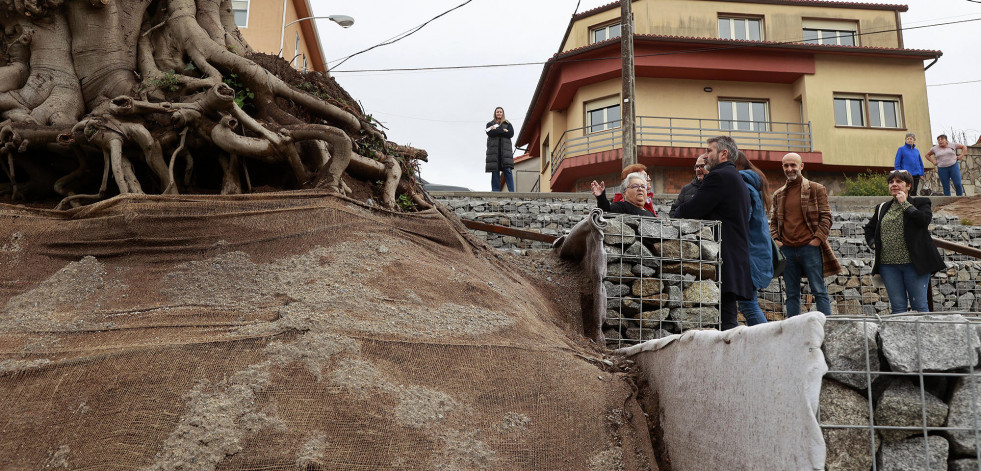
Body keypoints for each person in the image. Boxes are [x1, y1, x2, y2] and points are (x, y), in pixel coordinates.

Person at [674, 136, 753, 331]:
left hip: (723, 255)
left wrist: (675, 214)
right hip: (735, 254)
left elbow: (689, 209)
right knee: (727, 315)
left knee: (726, 321)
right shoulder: (735, 177)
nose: (706, 156)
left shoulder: (719, 177)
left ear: (723, 153)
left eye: (709, 151)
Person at [863, 170, 945, 313]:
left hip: (915, 265)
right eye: (891, 182)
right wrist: (873, 243)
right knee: (898, 308)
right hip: (888, 266)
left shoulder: (920, 202)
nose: (894, 184)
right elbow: (869, 229)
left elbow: (923, 220)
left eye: (899, 182)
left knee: (919, 306)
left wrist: (905, 204)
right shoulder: (882, 207)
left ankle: (923, 336)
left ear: (908, 186)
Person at [769, 152, 841, 317]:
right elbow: (773, 222)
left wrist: (816, 240)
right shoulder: (778, 194)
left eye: (793, 165)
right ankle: (794, 332)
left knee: (819, 290)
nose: (789, 169)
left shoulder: (816, 189)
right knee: (792, 294)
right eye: (786, 165)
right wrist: (777, 241)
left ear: (801, 166)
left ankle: (826, 327)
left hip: (810, 248)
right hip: (787, 249)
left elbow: (826, 217)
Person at [732, 151, 771, 326]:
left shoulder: (744, 186)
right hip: (757, 252)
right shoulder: (754, 185)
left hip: (749, 254)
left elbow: (742, 220)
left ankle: (768, 344)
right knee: (748, 303)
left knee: (748, 304)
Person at [591, 172, 655, 217]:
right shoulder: (622, 207)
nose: (640, 189)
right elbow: (606, 211)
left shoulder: (651, 214)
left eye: (643, 187)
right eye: (635, 186)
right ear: (625, 193)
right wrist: (601, 197)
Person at [485, 107, 514, 192]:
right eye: (497, 112)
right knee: (495, 172)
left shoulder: (508, 124)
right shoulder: (490, 124)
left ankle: (512, 192)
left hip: (505, 152)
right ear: (495, 113)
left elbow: (510, 134)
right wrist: (503, 130)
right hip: (494, 152)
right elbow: (489, 132)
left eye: (500, 112)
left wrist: (497, 130)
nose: (499, 113)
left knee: (508, 171)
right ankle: (495, 192)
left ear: (503, 113)